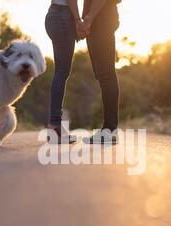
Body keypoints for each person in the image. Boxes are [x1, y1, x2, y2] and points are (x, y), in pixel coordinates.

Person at [45, 0, 121, 144]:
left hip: (101, 16)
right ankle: (108, 130)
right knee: (104, 74)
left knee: (106, 74)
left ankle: (109, 130)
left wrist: (87, 19)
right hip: (93, 17)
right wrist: (83, 19)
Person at [45, 0, 82, 144]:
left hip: (53, 14)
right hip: (63, 16)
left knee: (61, 71)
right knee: (61, 72)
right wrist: (77, 20)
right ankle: (55, 127)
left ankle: (54, 126)